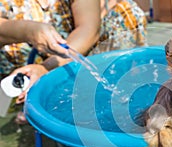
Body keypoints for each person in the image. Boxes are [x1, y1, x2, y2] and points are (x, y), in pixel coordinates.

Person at [0, 0, 147, 123]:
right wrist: (27, 31)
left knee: (126, 11)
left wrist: (45, 68)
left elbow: (88, 28)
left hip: (65, 64)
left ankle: (107, 98)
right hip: (17, 71)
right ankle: (25, 101)